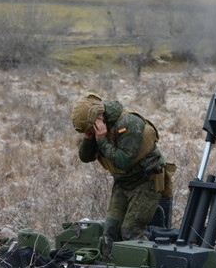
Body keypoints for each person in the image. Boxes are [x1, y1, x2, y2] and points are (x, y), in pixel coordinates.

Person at [71, 93, 172, 246]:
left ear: (99, 119)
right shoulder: (97, 129)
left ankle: (150, 266)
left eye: (90, 129)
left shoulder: (129, 123)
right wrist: (89, 137)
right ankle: (110, 267)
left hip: (146, 182)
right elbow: (85, 157)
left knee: (130, 231)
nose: (91, 132)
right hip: (123, 183)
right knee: (110, 230)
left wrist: (102, 140)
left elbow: (122, 161)